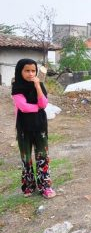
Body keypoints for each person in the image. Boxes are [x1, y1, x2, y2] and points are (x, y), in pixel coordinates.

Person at [11, 58, 56, 199]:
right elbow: (23, 107)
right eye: (27, 71)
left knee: (43, 157)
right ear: (20, 71)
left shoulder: (39, 85)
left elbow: (43, 103)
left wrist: (37, 86)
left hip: (40, 127)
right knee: (26, 159)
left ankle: (45, 187)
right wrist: (37, 107)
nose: (31, 74)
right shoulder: (17, 87)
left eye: (33, 71)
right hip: (24, 128)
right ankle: (28, 186)